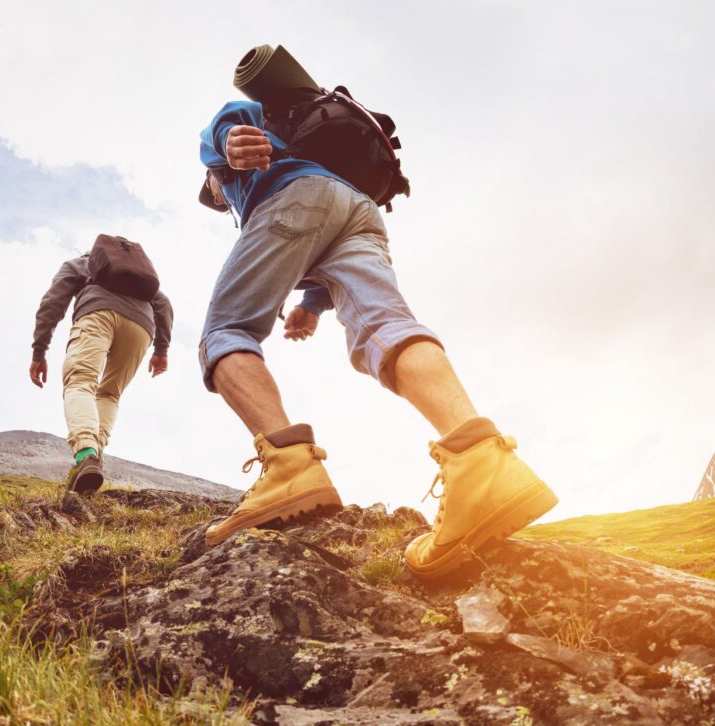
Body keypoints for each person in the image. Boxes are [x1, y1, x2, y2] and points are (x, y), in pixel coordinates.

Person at [198, 100, 558, 580]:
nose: (217, 198)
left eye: (213, 193)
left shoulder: (229, 170)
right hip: (358, 210)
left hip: (294, 198)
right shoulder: (317, 169)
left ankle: (290, 469)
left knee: (227, 330)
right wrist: (313, 304)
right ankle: (480, 462)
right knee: (385, 326)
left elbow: (230, 116)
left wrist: (227, 142)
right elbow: (319, 235)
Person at [29, 250, 173, 493]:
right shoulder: (138, 277)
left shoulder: (80, 264)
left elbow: (53, 302)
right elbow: (164, 304)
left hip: (98, 314)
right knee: (109, 394)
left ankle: (86, 455)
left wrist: (39, 351)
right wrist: (161, 350)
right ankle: (94, 456)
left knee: (80, 382)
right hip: (141, 327)